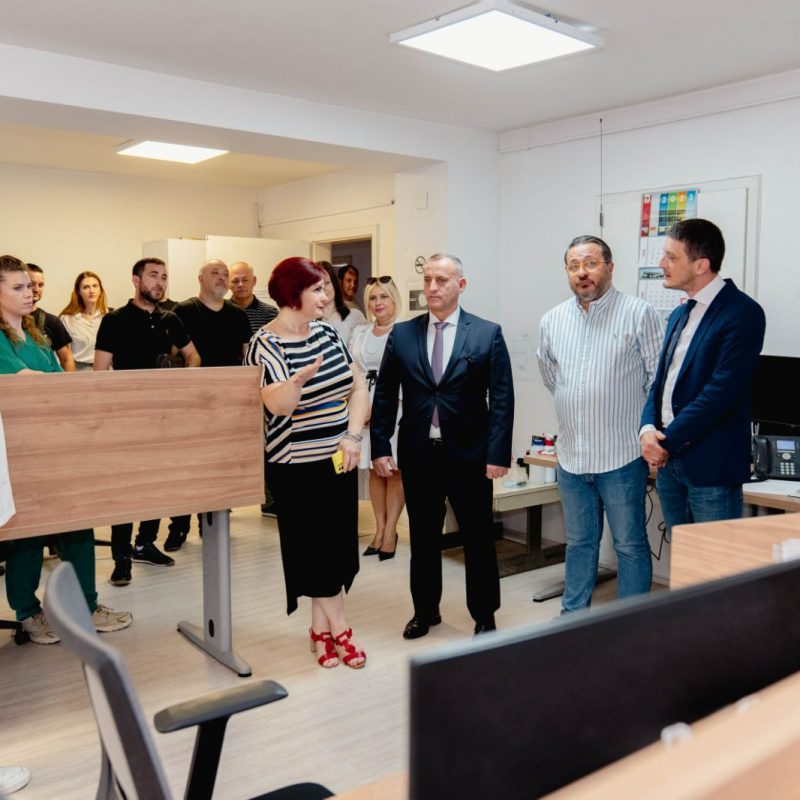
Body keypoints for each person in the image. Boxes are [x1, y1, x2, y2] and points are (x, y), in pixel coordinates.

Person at [371, 254, 514, 639]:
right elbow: (384, 394)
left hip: (470, 455)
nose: (432, 287)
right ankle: (425, 611)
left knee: (477, 538)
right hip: (419, 455)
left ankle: (484, 614)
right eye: (428, 280)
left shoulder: (486, 333)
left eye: (442, 280)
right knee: (423, 538)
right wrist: (380, 446)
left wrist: (497, 454)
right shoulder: (402, 334)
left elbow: (502, 399)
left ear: (460, 285)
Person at [244, 256, 369, 669]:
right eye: (317, 289)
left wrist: (352, 436)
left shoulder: (327, 332)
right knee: (315, 552)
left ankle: (319, 631)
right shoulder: (265, 343)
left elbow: (358, 388)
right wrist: (295, 383)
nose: (325, 295)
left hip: (338, 458)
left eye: (325, 288)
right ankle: (342, 631)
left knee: (336, 549)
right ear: (293, 294)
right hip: (295, 466)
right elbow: (278, 406)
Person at [0, 254, 132, 643]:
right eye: (18, 287)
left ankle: (85, 605)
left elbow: (58, 379)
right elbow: (23, 380)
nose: (30, 293)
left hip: (58, 444)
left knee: (78, 522)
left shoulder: (37, 334)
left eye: (30, 286)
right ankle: (28, 612)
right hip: (20, 449)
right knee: (27, 534)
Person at [537, 235, 664, 613]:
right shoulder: (552, 320)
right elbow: (552, 378)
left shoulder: (639, 313)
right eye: (574, 266)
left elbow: (657, 382)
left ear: (609, 267)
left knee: (629, 545)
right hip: (572, 458)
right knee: (579, 544)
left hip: (621, 456)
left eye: (591, 263)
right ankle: (573, 619)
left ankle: (629, 626)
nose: (582, 272)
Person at [640, 218, 766, 531]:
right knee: (681, 555)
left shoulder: (742, 313)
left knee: (714, 559)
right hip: (669, 464)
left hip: (710, 467)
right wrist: (647, 430)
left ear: (701, 265)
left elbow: (721, 393)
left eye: (671, 257)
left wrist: (665, 442)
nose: (662, 264)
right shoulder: (679, 314)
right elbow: (660, 383)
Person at [94, 257, 200, 584]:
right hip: (127, 417)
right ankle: (121, 557)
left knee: (158, 485)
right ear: (136, 280)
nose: (160, 282)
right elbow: (99, 370)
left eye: (164, 277)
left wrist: (180, 383)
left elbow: (194, 356)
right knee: (127, 490)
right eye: (153, 276)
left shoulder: (170, 318)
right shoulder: (115, 320)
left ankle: (145, 543)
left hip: (164, 416)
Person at [350, 276, 405, 560]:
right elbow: (353, 371)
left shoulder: (406, 331)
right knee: (373, 468)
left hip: (396, 405)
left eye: (383, 296)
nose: (378, 303)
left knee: (393, 470)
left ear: (394, 299)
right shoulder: (361, 332)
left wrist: (379, 406)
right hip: (363, 403)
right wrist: (359, 406)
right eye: (372, 297)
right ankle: (379, 529)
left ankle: (391, 531)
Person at [174, 259, 252, 367]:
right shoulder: (182, 311)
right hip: (194, 377)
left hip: (232, 377)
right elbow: (170, 354)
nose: (222, 278)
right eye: (215, 273)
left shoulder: (239, 315)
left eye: (226, 274)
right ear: (201, 279)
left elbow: (247, 358)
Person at [26, 263, 76, 372]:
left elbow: (66, 359)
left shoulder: (52, 321)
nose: (36, 289)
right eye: (32, 284)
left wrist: (69, 382)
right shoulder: (7, 319)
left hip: (45, 379)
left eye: (41, 285)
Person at [58, 270, 109, 370]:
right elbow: (62, 355)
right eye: (86, 287)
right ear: (78, 292)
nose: (91, 291)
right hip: (79, 369)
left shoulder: (109, 317)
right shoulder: (67, 319)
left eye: (95, 286)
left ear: (100, 290)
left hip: (106, 369)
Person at [318, 260, 366, 348]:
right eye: (317, 285)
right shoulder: (307, 321)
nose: (323, 288)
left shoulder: (355, 316)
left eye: (327, 283)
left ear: (335, 284)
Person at [229, 260, 278, 333]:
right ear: (228, 284)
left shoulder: (270, 313)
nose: (241, 285)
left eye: (245, 280)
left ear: (254, 281)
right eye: (235, 281)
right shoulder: (221, 312)